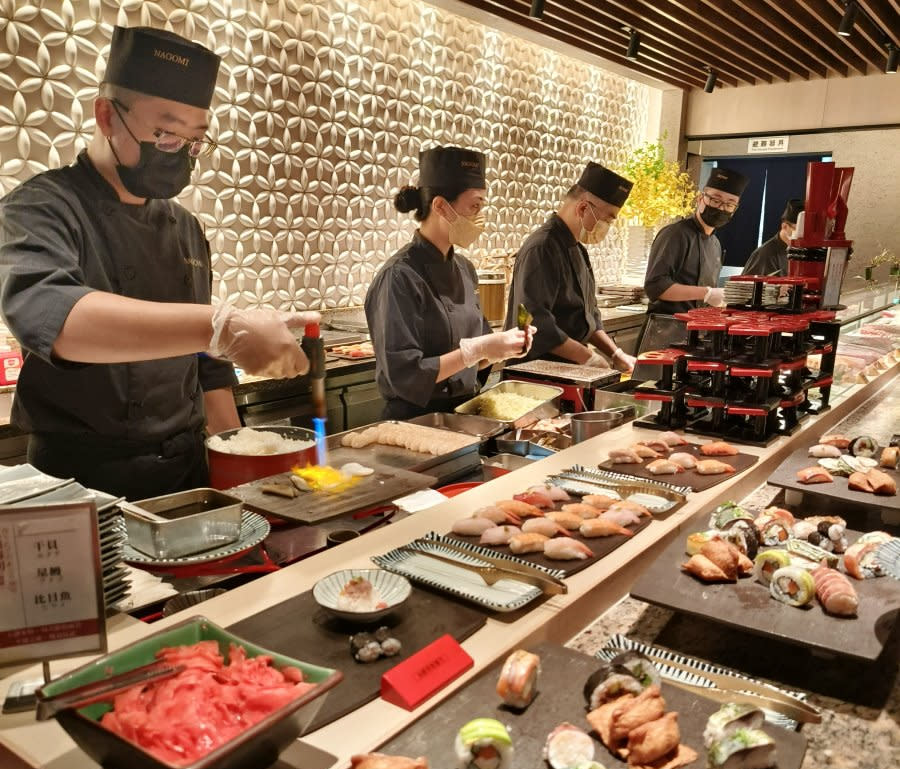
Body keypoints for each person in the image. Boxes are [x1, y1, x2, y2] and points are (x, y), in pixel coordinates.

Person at [0, 26, 316, 500]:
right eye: (165, 133)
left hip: (188, 470)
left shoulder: (185, 226)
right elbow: (58, 320)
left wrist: (237, 462)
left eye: (195, 141)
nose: (180, 154)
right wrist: (222, 325)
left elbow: (206, 366)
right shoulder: (38, 208)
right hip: (82, 484)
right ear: (106, 115)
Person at [365, 146, 532, 420]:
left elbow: (478, 360)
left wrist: (503, 348)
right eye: (474, 206)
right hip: (414, 422)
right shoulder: (399, 277)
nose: (481, 217)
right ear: (441, 206)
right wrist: (477, 349)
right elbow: (404, 375)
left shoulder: (465, 269)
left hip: (463, 415)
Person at [505, 162, 636, 372]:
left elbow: (589, 316)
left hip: (570, 371)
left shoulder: (579, 250)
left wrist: (615, 353)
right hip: (536, 372)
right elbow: (532, 320)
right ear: (583, 208)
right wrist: (588, 357)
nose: (607, 228)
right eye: (608, 220)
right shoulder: (542, 247)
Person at [640, 166, 750, 353]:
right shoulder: (676, 234)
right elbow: (655, 286)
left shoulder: (715, 243)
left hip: (696, 334)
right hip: (664, 332)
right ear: (701, 199)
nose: (721, 208)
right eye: (715, 200)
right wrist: (706, 293)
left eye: (729, 204)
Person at [742, 198, 804, 277]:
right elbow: (746, 286)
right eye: (799, 230)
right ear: (785, 226)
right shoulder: (765, 254)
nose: (802, 235)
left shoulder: (799, 252)